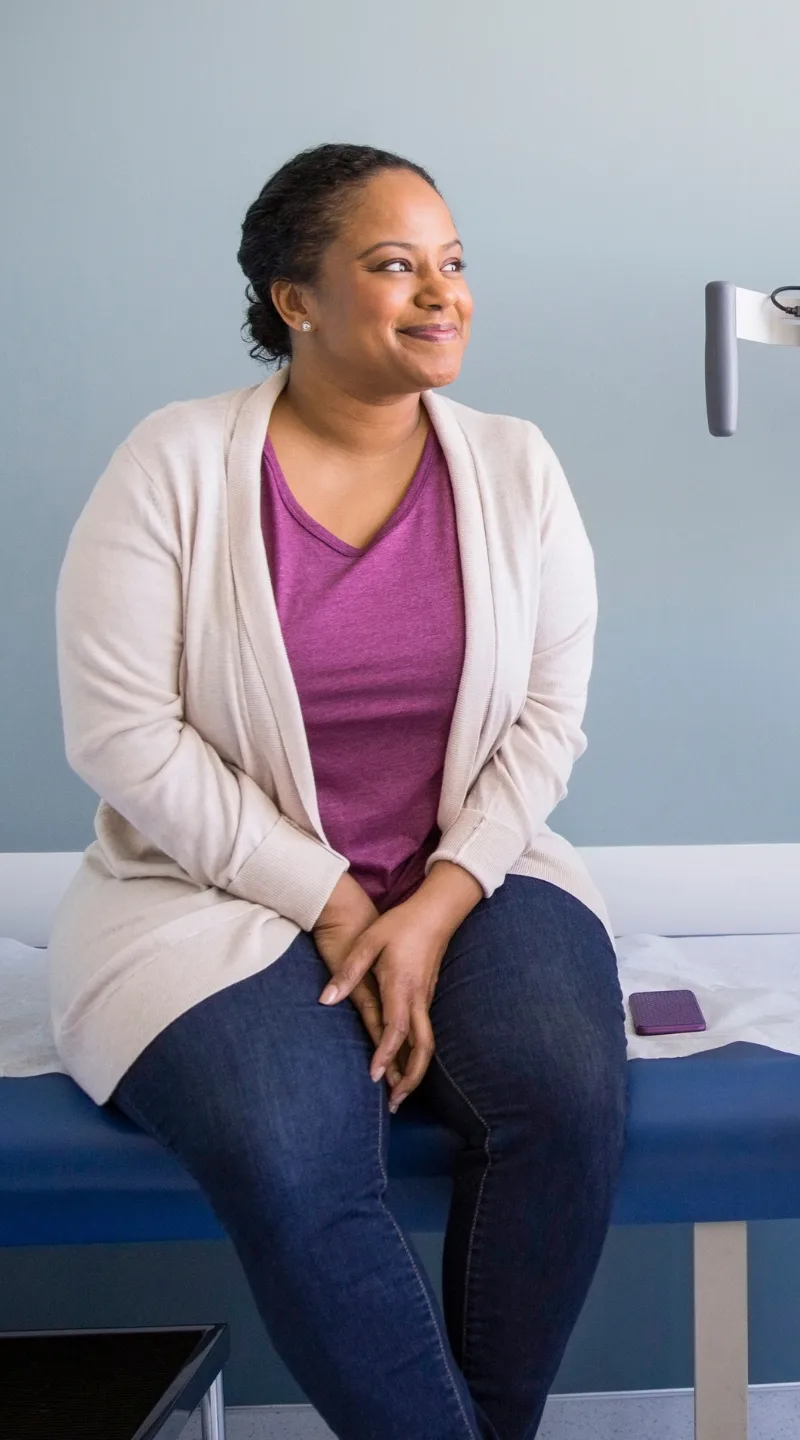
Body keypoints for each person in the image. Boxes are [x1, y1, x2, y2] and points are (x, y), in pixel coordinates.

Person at [49, 144, 623, 1440]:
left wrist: (423, 911)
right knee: (288, 1142)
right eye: (395, 264)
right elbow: (121, 731)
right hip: (210, 893)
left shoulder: (519, 469)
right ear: (293, 299)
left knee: (568, 1097)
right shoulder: (176, 465)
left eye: (455, 261)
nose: (443, 292)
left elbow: (547, 722)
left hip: (473, 869)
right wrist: (326, 899)